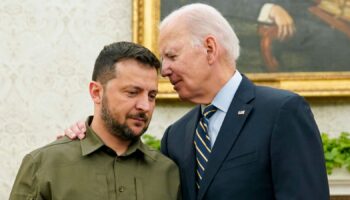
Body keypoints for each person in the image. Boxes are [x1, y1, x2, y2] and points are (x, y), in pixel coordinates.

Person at [64, 3, 329, 200]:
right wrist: (89, 132)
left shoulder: (281, 112)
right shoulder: (176, 136)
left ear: (210, 49)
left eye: (171, 56)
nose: (164, 70)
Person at [9, 42, 181, 200]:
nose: (145, 106)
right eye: (132, 92)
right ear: (96, 92)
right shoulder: (43, 165)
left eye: (152, 95)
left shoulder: (168, 173)